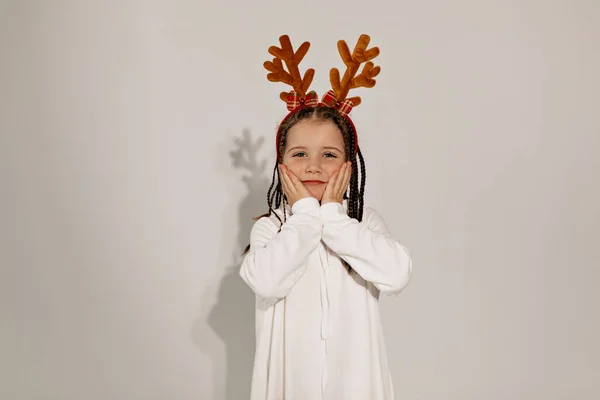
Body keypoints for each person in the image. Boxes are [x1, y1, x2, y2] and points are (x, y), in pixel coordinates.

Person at [239, 34, 413, 400]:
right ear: (282, 164)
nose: (314, 166)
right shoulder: (272, 227)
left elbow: (397, 273)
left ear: (349, 165)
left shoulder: (361, 223)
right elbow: (267, 282)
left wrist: (334, 217)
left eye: (329, 155)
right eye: (300, 154)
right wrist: (304, 216)